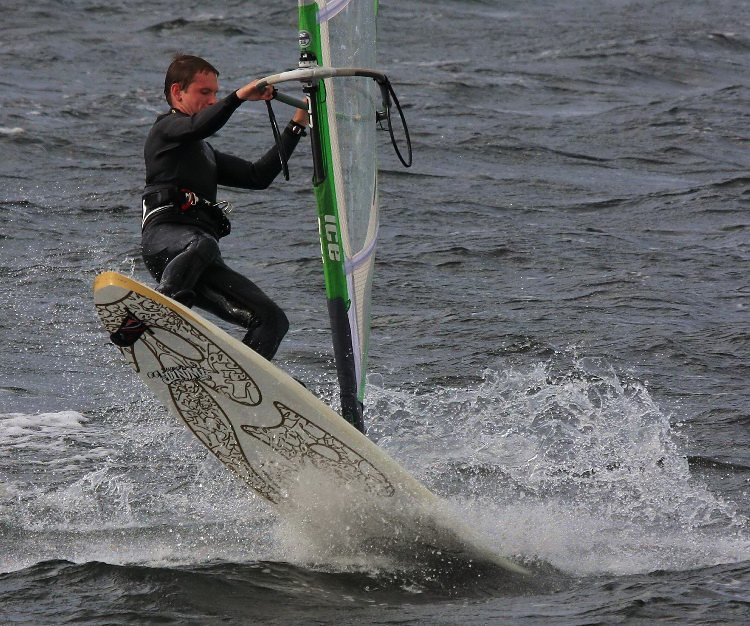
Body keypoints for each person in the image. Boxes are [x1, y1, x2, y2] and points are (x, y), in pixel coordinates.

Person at [140, 54, 309, 361]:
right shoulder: (165, 130)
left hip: (199, 260)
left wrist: (297, 124)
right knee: (201, 243)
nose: (212, 100)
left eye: (216, 93)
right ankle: (157, 317)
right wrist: (239, 96)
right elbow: (199, 126)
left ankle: (237, 384)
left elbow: (258, 176)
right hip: (166, 241)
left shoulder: (205, 153)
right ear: (177, 92)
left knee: (272, 320)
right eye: (204, 92)